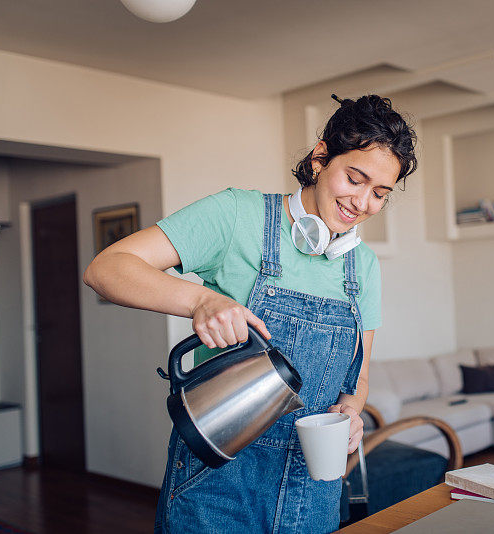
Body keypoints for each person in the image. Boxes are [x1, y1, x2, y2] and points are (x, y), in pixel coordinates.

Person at [83, 94, 418, 533]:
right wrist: (200, 301)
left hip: (312, 488)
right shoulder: (236, 216)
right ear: (320, 158)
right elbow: (105, 268)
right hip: (219, 478)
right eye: (355, 179)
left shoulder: (363, 266)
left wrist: (351, 411)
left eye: (379, 194)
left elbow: (357, 376)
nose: (362, 203)